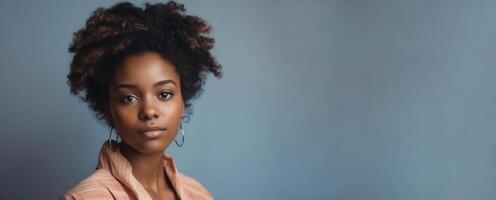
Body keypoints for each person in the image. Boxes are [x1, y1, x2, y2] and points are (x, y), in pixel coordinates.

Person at [60, 1, 222, 199]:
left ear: (182, 103)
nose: (149, 111)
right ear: (108, 110)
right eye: (128, 98)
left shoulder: (199, 194)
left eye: (164, 94)